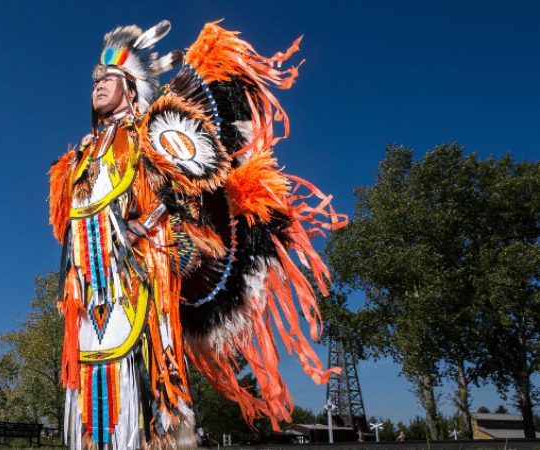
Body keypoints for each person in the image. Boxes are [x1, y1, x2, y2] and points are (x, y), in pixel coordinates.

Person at [49, 20, 345, 450]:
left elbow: (190, 194)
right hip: (90, 291)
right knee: (90, 391)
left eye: (107, 78)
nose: (97, 84)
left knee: (148, 377)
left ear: (130, 88)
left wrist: (145, 227)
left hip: (140, 281)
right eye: (94, 79)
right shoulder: (78, 159)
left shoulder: (148, 137)